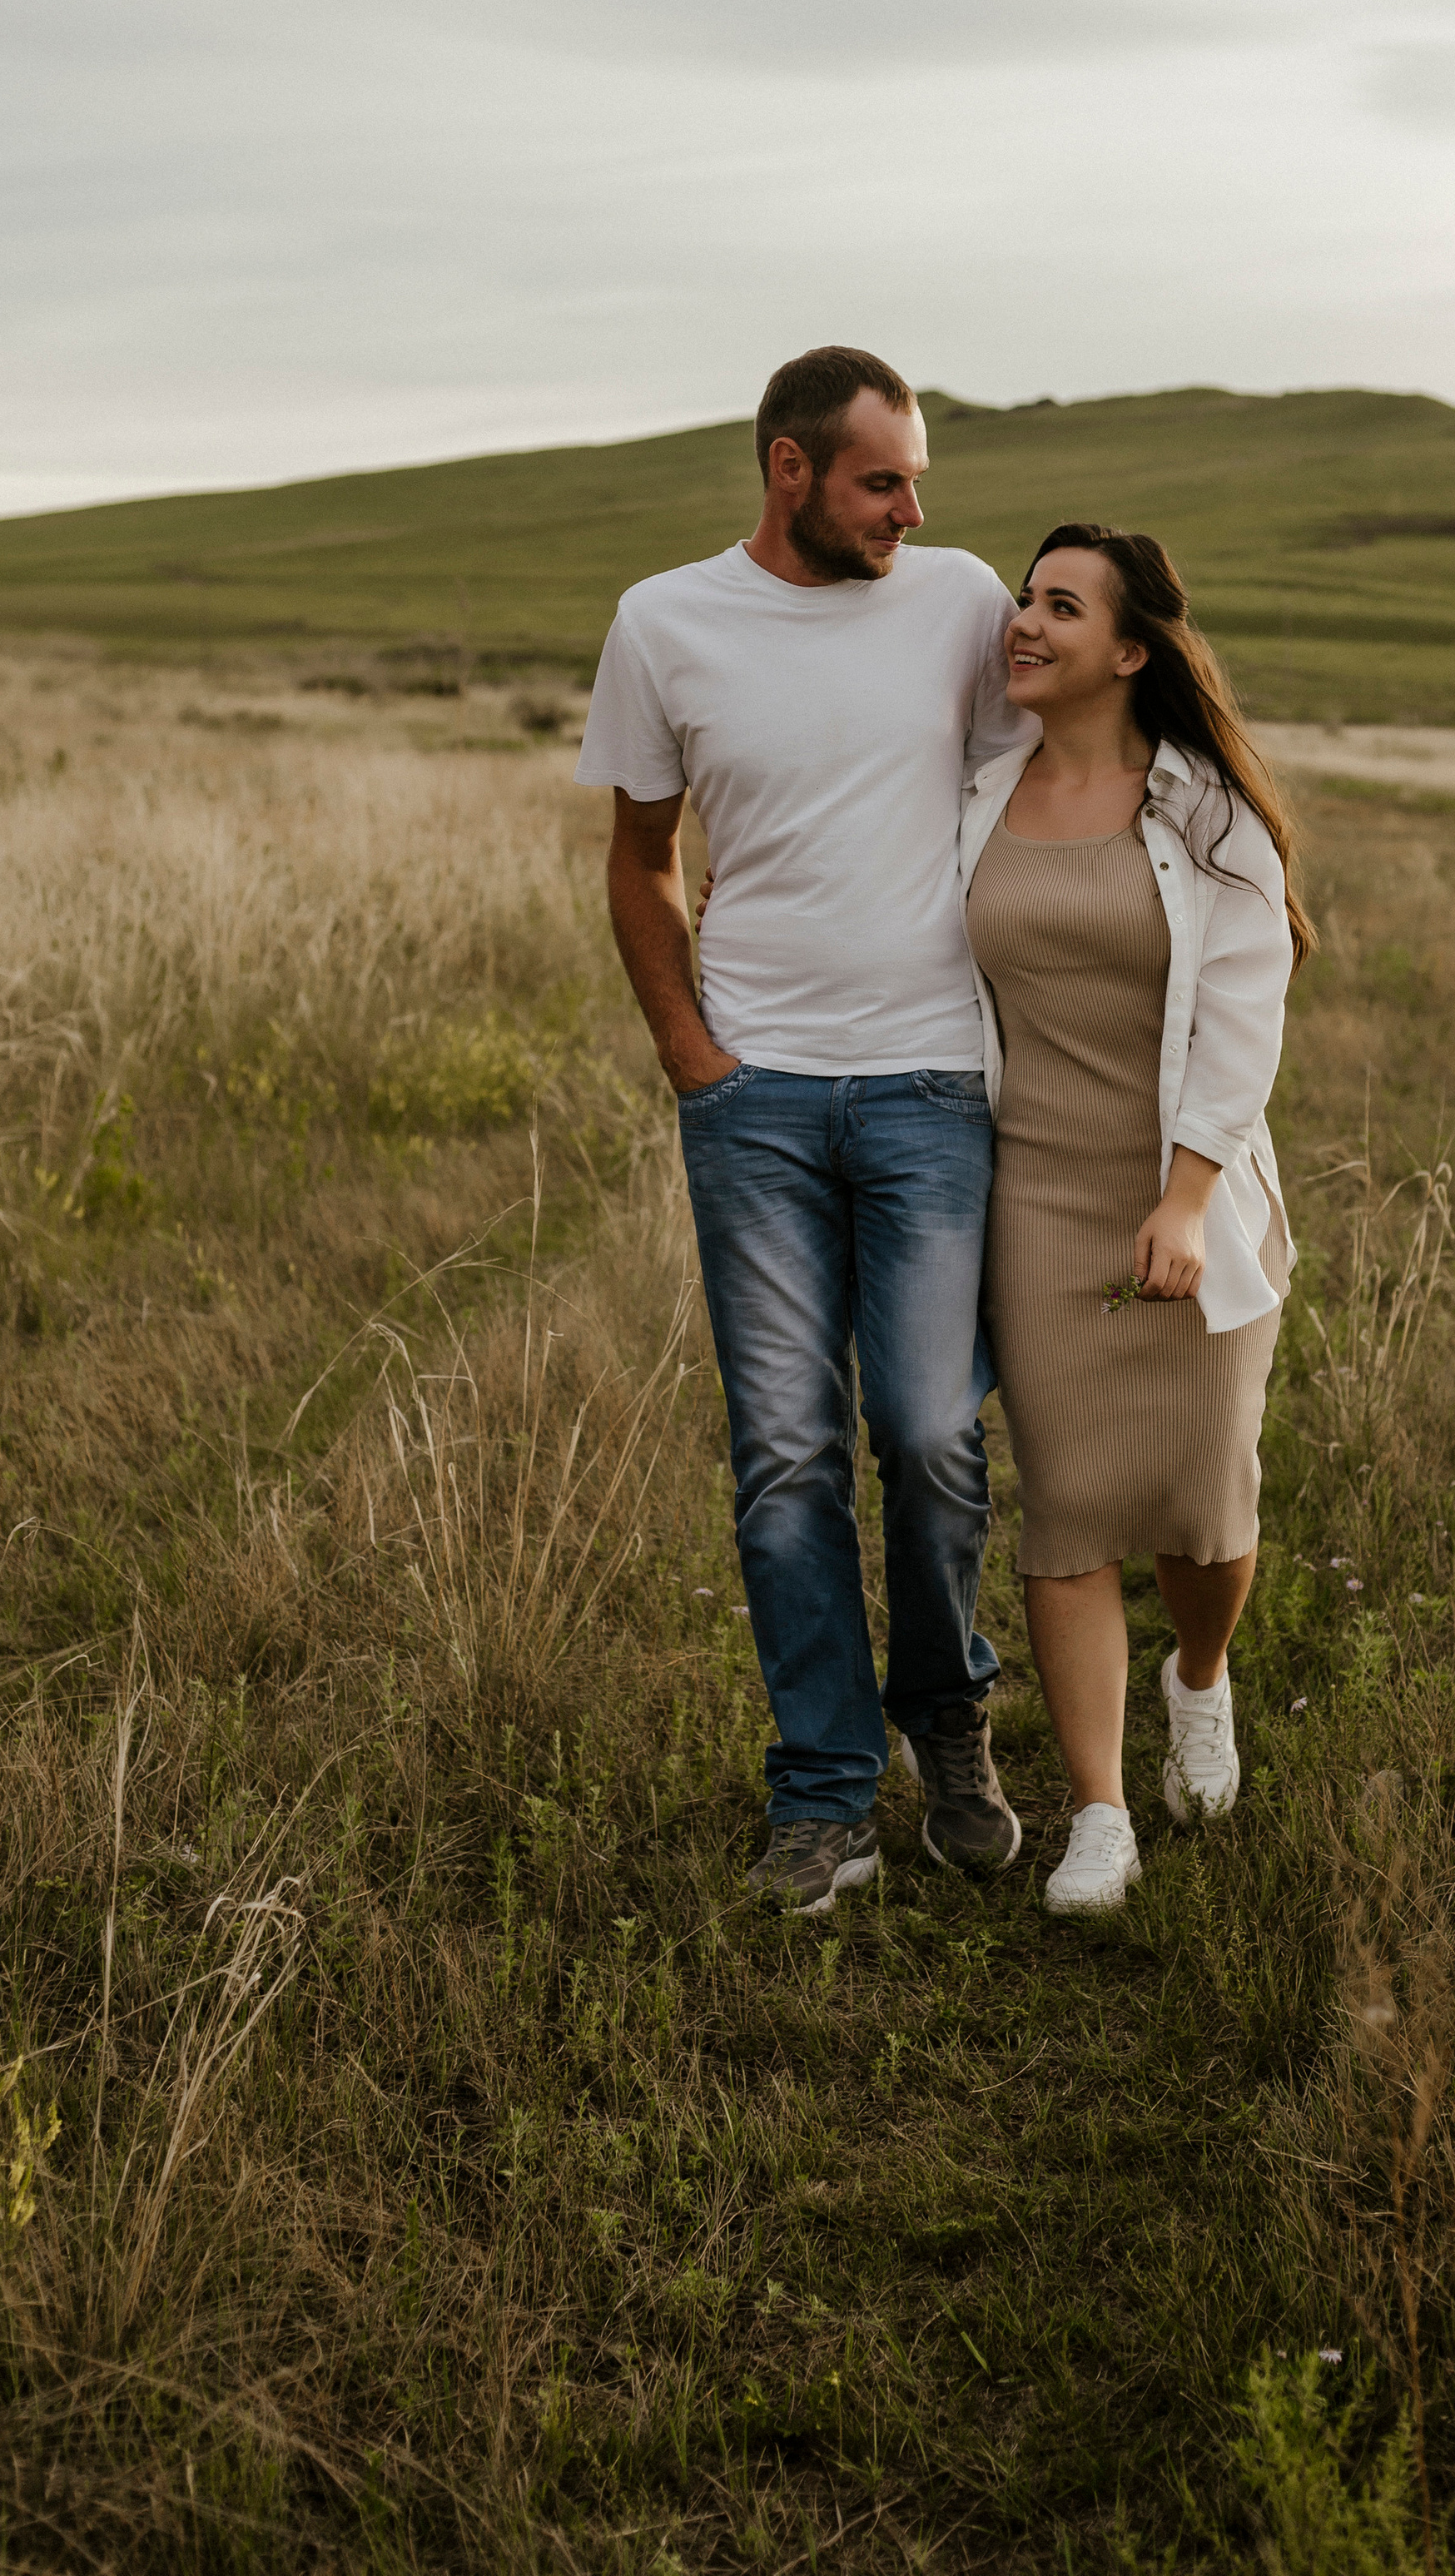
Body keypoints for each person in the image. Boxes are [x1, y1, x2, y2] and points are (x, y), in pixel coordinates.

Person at [578, 345, 1036, 1913]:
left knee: (925, 1434)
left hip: (928, 1087)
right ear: (790, 471)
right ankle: (826, 1796)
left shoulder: (965, 598)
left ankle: (948, 1712)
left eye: (917, 478)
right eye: (881, 480)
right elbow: (641, 858)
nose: (915, 507)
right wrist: (695, 1058)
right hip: (753, 1102)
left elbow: (1060, 772)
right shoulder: (666, 624)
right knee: (783, 1461)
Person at [958, 523, 1312, 1914]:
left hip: (1190, 1196)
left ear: (1131, 649)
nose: (1025, 625)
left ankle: (1201, 1678)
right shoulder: (979, 791)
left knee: (1206, 1511)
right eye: (1022, 603)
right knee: (1069, 1510)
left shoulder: (1207, 810)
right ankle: (1100, 1812)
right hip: (1032, 1197)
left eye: (1061, 605)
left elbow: (1243, 1012)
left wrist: (1185, 1195)